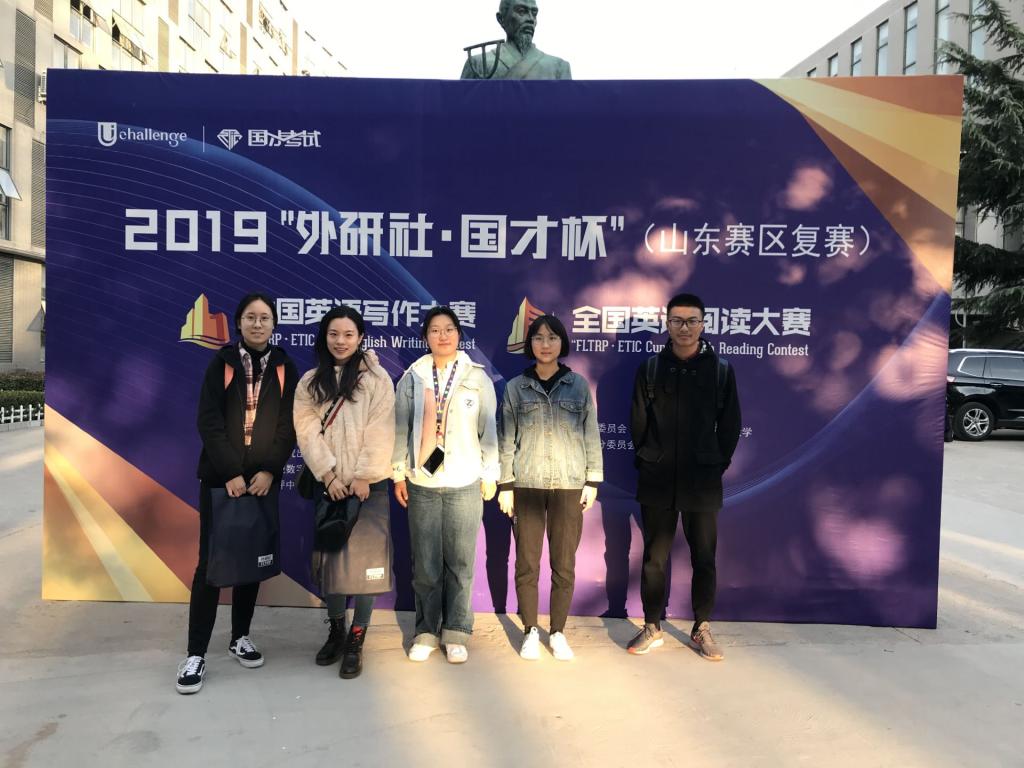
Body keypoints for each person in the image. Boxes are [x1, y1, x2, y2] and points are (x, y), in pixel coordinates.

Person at [177, 293, 299, 694]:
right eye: (251, 317)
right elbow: (208, 421)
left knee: (250, 561)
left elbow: (289, 426)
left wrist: (269, 471)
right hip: (221, 480)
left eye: (264, 318)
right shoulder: (222, 363)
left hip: (261, 481)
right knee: (210, 565)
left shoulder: (285, 367)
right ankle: (196, 653)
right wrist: (230, 471)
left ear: (274, 324)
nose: (258, 324)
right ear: (239, 323)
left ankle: (239, 638)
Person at [627, 293, 741, 661]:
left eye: (692, 321)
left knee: (704, 557)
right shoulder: (651, 368)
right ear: (668, 324)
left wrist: (715, 463)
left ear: (703, 324)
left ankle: (701, 627)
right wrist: (649, 458)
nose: (685, 328)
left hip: (702, 480)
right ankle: (652, 625)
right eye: (677, 321)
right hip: (657, 478)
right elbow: (638, 422)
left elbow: (730, 425)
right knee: (654, 558)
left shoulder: (720, 370)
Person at [293, 306, 395, 680]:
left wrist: (364, 475)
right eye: (334, 334)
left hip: (368, 488)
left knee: (366, 567)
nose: (341, 341)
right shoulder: (310, 382)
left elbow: (382, 429)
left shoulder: (377, 379)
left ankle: (356, 638)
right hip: (330, 486)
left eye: (349, 334)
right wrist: (328, 474)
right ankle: (336, 630)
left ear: (360, 337)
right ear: (325, 337)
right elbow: (306, 431)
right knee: (333, 563)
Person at [392, 307, 499, 664]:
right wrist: (397, 473)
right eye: (435, 330)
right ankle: (425, 632)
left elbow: (489, 429)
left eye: (449, 329)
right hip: (421, 482)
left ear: (458, 335)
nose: (443, 335)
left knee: (460, 564)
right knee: (425, 564)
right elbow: (400, 428)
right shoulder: (413, 377)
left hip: (464, 481)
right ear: (426, 337)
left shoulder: (476, 377)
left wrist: (490, 473)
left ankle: (456, 632)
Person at [497, 314, 602, 661]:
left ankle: (557, 632)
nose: (545, 344)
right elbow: (506, 440)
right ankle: (530, 629)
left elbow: (591, 435)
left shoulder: (577, 386)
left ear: (562, 343)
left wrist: (592, 480)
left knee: (564, 564)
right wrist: (505, 485)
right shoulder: (515, 387)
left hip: (569, 485)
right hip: (526, 485)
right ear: (530, 344)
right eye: (539, 338)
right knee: (527, 564)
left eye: (552, 338)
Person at [460, 0, 572, 80]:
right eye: (522, 11)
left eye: (534, 13)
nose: (530, 19)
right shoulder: (478, 64)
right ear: (501, 19)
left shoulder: (559, 67)